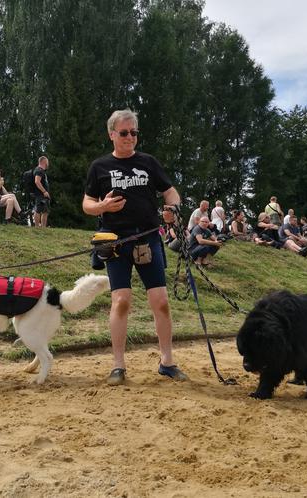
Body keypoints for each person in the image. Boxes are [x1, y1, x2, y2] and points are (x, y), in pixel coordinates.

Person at [82, 109, 187, 385]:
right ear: (112, 134)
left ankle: (167, 361)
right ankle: (118, 365)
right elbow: (87, 204)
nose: (130, 137)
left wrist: (172, 208)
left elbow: (170, 191)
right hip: (115, 243)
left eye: (134, 132)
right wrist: (102, 206)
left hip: (149, 238)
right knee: (121, 301)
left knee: (161, 302)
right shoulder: (99, 167)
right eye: (125, 132)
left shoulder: (149, 162)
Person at [33, 156, 51, 228]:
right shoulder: (39, 170)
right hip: (40, 194)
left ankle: (43, 227)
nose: (48, 164)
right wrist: (44, 191)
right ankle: (37, 226)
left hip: (43, 195)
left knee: (45, 211)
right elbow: (37, 181)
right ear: (44, 162)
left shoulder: (41, 171)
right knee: (38, 210)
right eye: (47, 162)